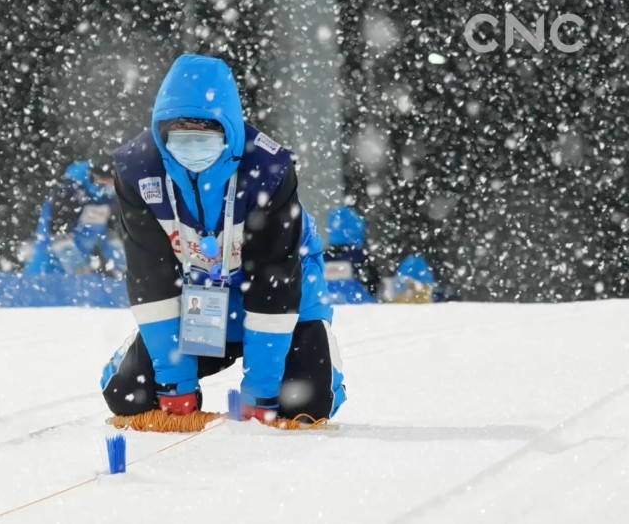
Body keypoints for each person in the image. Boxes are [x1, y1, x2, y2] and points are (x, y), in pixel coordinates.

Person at [99, 54, 346, 423]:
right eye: (180, 133)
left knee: (304, 406)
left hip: (285, 305)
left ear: (229, 130)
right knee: (131, 397)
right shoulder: (138, 172)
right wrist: (173, 387)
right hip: (198, 306)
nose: (192, 144)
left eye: (206, 132)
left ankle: (320, 367)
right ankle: (132, 363)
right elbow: (151, 280)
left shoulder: (269, 171)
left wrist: (262, 394)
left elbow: (273, 284)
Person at [24, 160, 126, 276]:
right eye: (111, 182)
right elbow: (58, 234)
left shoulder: (107, 197)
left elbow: (108, 235)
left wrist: (124, 266)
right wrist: (78, 268)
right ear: (98, 178)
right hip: (47, 267)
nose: (113, 187)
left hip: (80, 263)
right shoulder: (69, 191)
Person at [323, 206, 379, 304]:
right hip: (357, 307)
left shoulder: (323, 257)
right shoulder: (359, 257)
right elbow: (373, 283)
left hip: (326, 308)